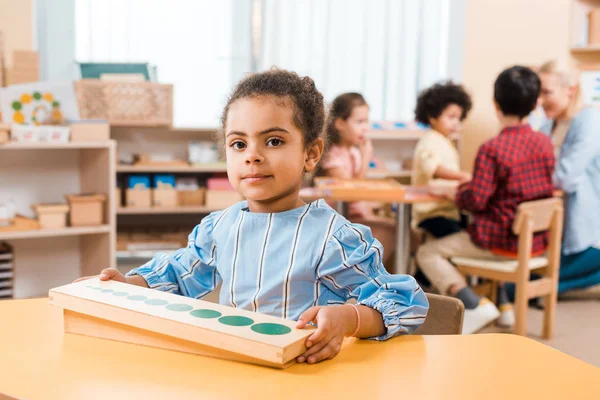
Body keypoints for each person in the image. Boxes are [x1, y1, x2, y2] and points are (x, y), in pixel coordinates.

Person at [76, 69, 428, 364]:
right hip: (239, 367)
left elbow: (406, 302)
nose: (252, 156)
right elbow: (177, 275)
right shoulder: (221, 227)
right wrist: (128, 285)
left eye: (273, 141)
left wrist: (349, 319)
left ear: (311, 152)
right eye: (239, 144)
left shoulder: (333, 237)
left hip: (305, 377)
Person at [416, 66, 555, 334]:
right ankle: (504, 311)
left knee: (427, 252)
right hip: (535, 243)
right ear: (536, 103)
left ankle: (473, 305)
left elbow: (476, 202)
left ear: (495, 103)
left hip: (499, 242)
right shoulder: (544, 143)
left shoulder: (492, 149)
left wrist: (455, 193)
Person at [538, 60, 600, 294]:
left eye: (546, 92)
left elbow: (565, 178)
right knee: (525, 278)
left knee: (515, 288)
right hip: (555, 231)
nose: (540, 100)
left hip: (587, 234)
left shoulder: (590, 121)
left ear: (570, 89)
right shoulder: (547, 124)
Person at [317, 93, 396, 267]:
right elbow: (351, 192)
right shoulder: (333, 156)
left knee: (403, 231)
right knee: (392, 231)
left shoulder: (353, 152)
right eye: (359, 122)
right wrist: (367, 157)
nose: (365, 128)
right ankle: (366, 275)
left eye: (366, 121)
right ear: (340, 124)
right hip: (341, 221)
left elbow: (359, 190)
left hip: (356, 216)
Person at [412, 81, 473, 238]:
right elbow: (432, 168)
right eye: (451, 117)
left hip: (448, 210)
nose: (455, 123)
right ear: (432, 117)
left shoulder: (446, 142)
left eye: (458, 118)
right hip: (431, 213)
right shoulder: (430, 140)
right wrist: (462, 176)